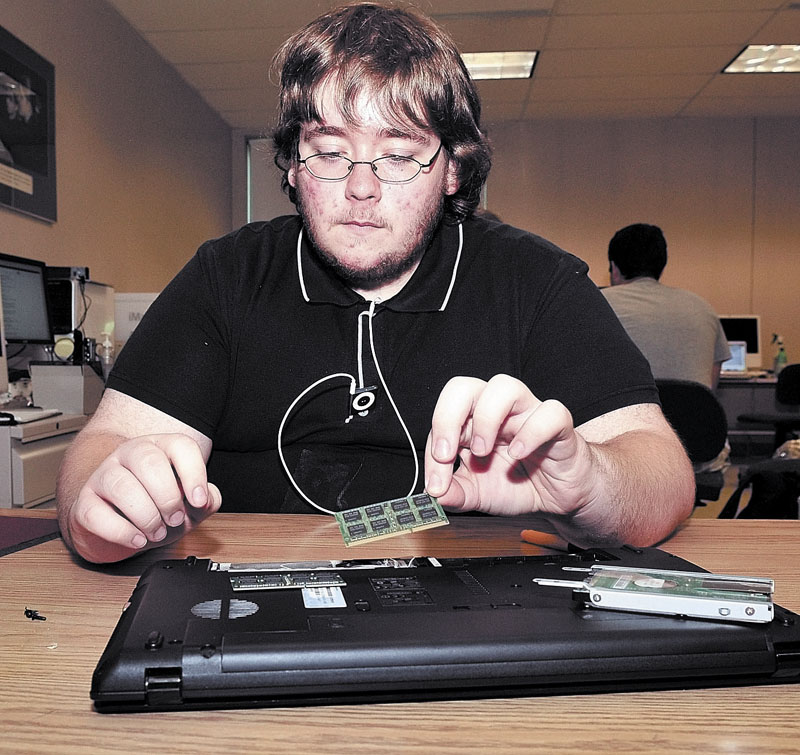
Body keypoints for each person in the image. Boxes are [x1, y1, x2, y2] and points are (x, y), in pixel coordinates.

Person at [56, 2, 694, 564]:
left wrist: (590, 482)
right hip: (250, 603)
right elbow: (102, 451)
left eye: (398, 153)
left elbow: (660, 475)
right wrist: (99, 514)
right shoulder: (228, 276)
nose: (360, 187)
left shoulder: (536, 281)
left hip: (470, 617)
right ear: (293, 163)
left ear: (452, 170)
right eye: (330, 151)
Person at [602, 223, 731, 391]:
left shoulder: (598, 304)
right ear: (661, 266)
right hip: (691, 416)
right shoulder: (702, 307)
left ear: (614, 268)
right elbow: (711, 383)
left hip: (626, 416)